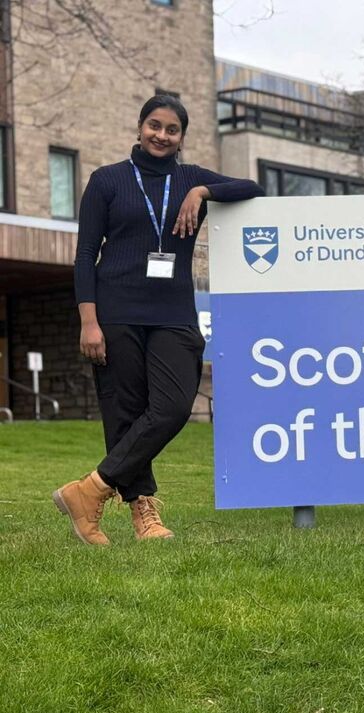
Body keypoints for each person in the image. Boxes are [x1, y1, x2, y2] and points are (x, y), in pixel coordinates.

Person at [53, 94, 264, 545]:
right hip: (115, 312)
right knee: (124, 413)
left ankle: (88, 490)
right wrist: (89, 322)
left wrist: (202, 191)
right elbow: (86, 254)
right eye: (154, 125)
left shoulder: (191, 178)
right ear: (139, 127)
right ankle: (142, 514)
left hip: (173, 314)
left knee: (171, 407)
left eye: (172, 130)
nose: (161, 135)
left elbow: (252, 187)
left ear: (182, 137)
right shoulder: (107, 180)